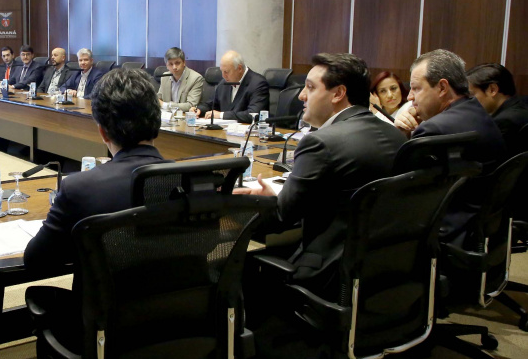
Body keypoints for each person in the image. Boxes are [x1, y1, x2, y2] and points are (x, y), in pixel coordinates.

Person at [236, 53, 406, 294]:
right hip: (385, 272)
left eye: (310, 87)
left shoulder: (321, 143)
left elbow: (280, 218)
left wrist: (243, 207)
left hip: (329, 274)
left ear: (338, 94)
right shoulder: (396, 136)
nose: (300, 96)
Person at [24, 68, 166, 351]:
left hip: (105, 336)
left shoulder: (80, 188)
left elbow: (36, 261)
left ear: (101, 131)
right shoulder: (194, 180)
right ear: (157, 123)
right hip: (179, 328)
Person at [395, 49, 506, 246]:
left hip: (447, 232)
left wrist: (401, 136)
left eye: (416, 88)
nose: (410, 97)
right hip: (480, 227)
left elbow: (402, 194)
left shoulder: (433, 130)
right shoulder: (477, 111)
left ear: (442, 87)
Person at [466, 63, 528, 156]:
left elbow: (485, 158)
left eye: (472, 95)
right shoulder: (521, 106)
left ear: (492, 90)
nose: (468, 101)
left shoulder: (504, 121)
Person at [195, 50, 269, 122]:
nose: (223, 76)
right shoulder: (224, 83)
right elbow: (211, 104)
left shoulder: (258, 83)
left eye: (226, 72)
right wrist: (199, 110)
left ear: (239, 68)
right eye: (222, 71)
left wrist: (221, 115)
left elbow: (253, 114)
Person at [156, 47, 205, 112]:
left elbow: (191, 105)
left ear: (184, 62)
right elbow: (158, 99)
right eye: (171, 64)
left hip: (185, 118)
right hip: (167, 118)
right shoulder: (165, 77)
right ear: (166, 65)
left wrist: (166, 105)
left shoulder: (196, 78)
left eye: (177, 63)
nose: (174, 67)